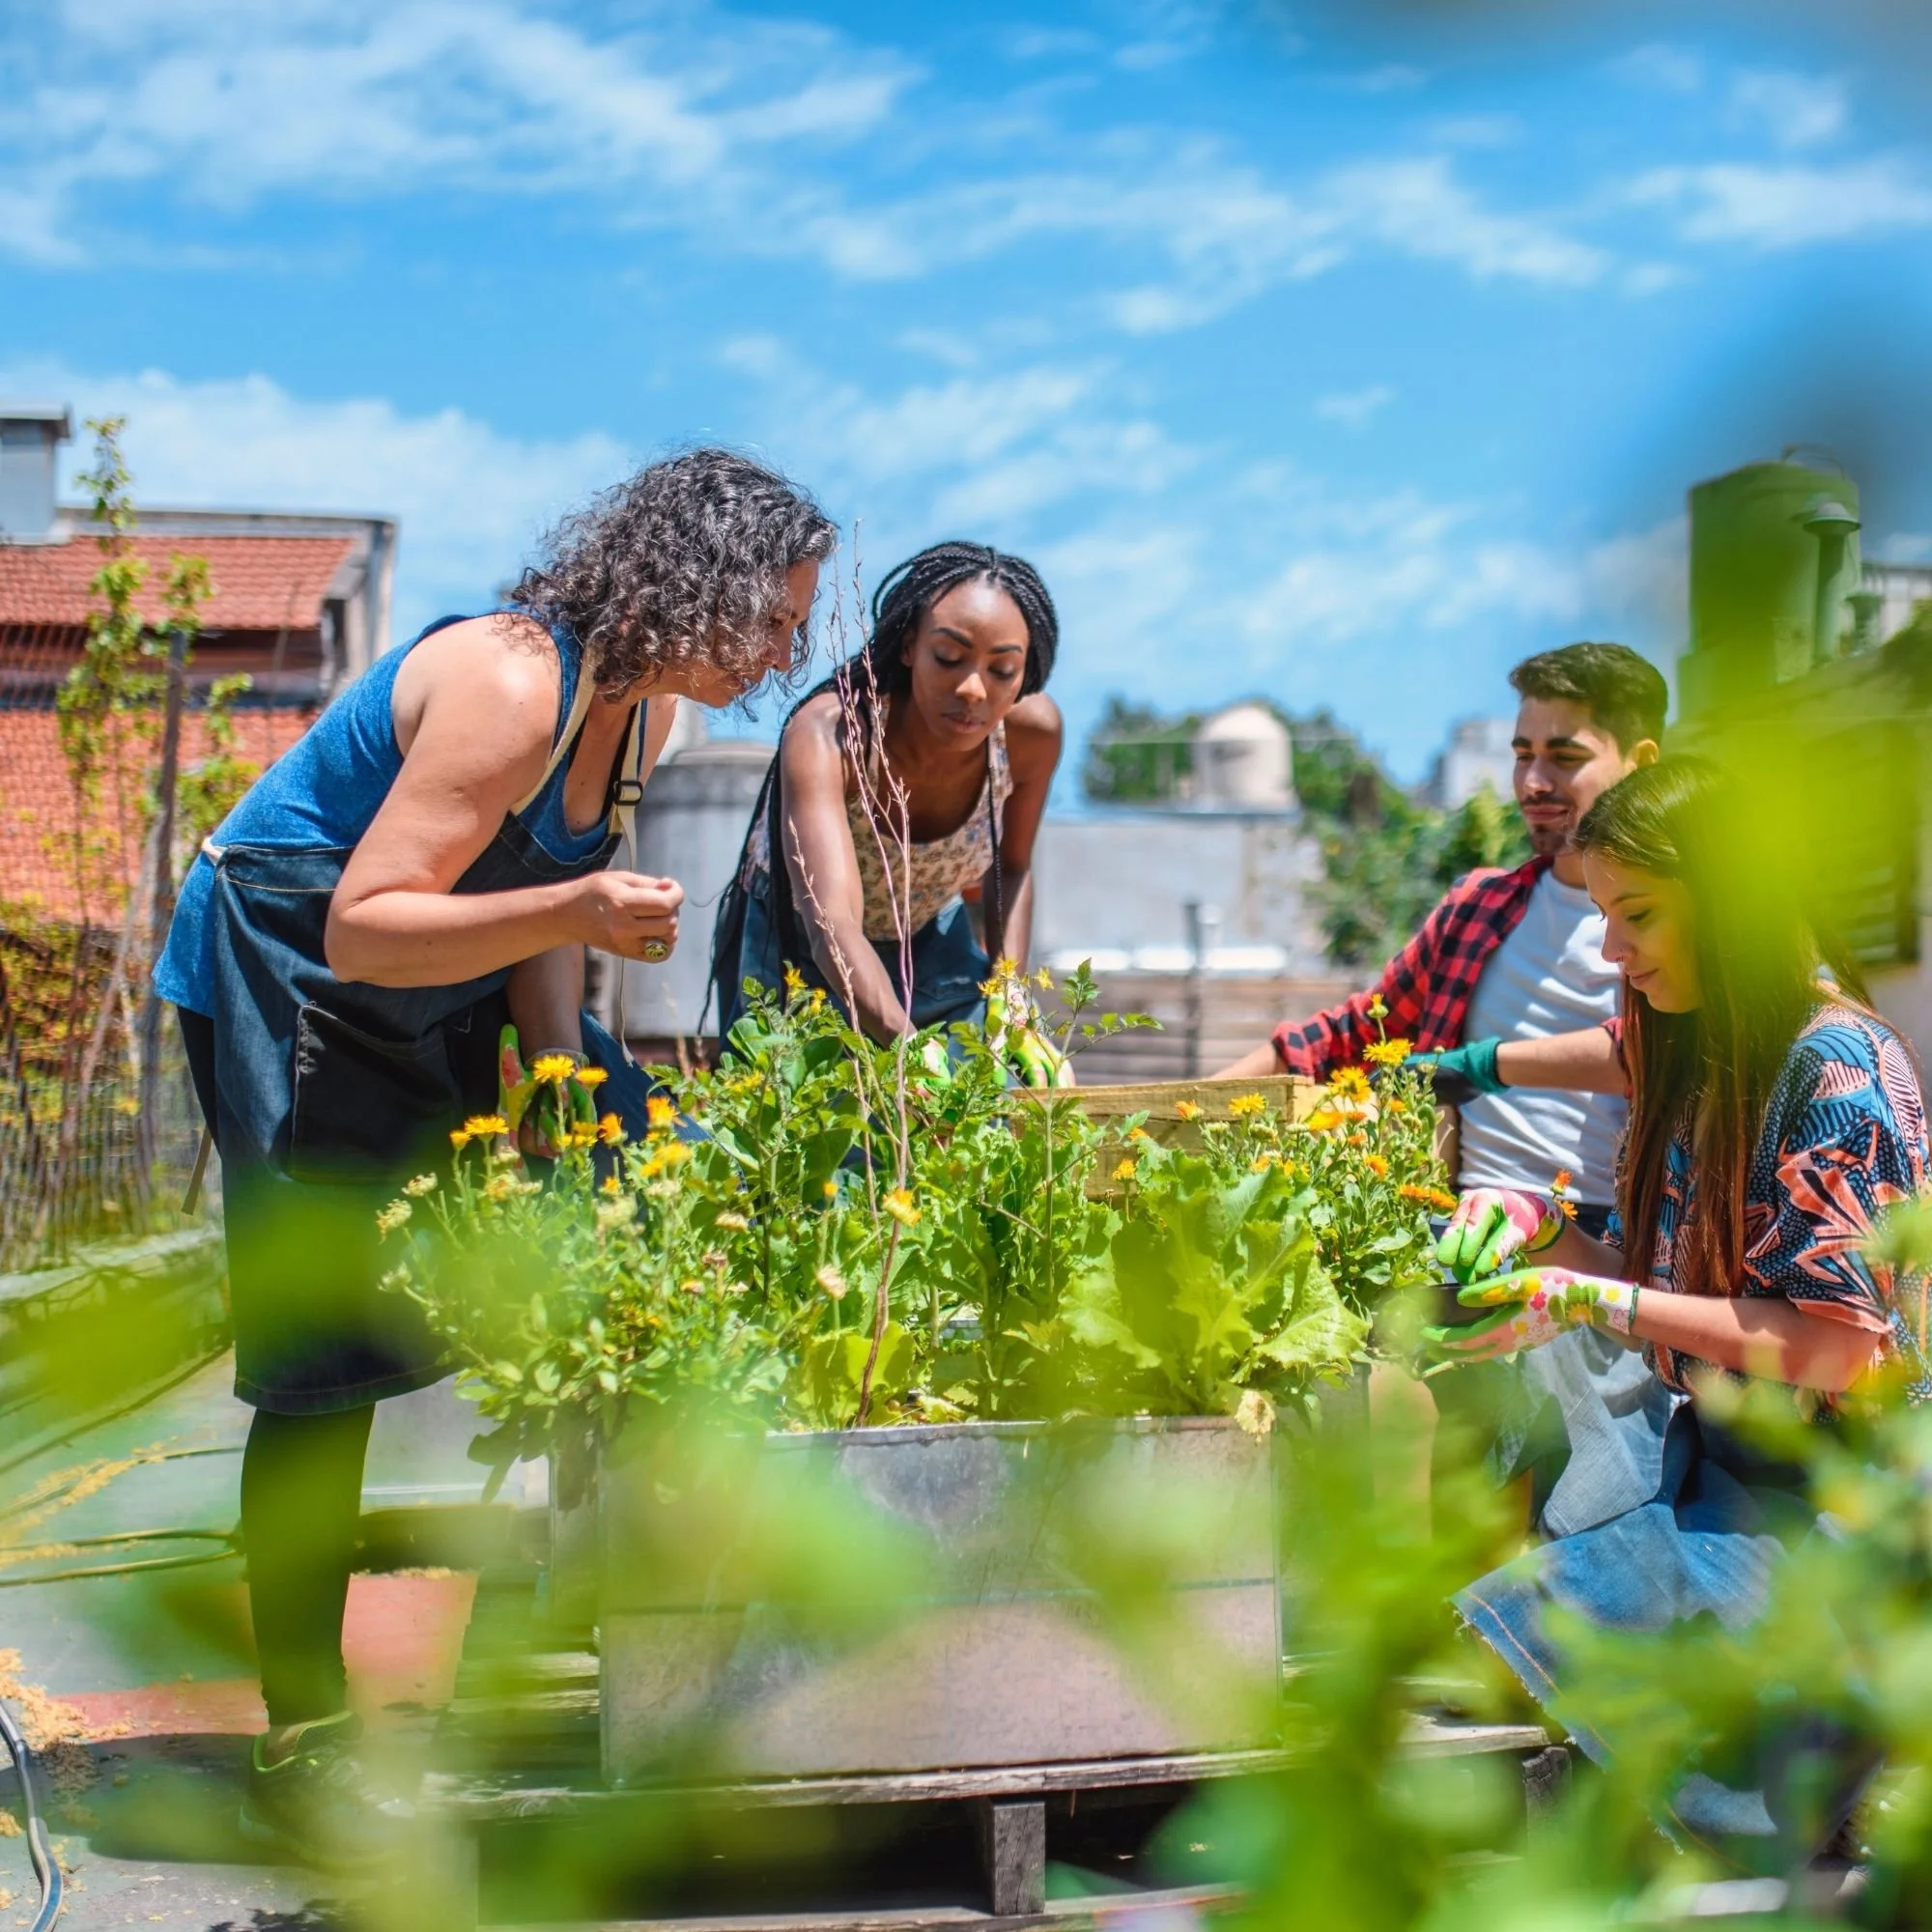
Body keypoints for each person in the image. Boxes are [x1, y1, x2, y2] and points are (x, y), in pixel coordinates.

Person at [153, 449, 836, 1866]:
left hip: (426, 988)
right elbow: (363, 924)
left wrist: (570, 1078)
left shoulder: (638, 718)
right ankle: (305, 1736)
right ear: (698, 583)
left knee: (610, 1204)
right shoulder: (515, 683)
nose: (786, 652)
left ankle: (585, 1634)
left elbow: (534, 919)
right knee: (327, 1359)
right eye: (773, 618)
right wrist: (581, 912)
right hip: (292, 975)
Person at [1433, 756, 1929, 1866]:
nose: (1611, 948)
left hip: (1859, 1502)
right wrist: (1534, 1227)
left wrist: (1587, 1291)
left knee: (1607, 1668)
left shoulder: (1833, 1067)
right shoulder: (1693, 1046)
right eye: (1604, 914)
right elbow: (1660, 1287)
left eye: (1639, 913)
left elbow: (1841, 1350)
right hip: (1734, 1464)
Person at [1218, 640, 1667, 1234]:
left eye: (1565, 757)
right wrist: (1178, 1104)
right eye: (1522, 756)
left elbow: (1658, 1048)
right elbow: (1351, 1035)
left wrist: (1475, 1066)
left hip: (1617, 1238)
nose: (1534, 782)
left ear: (1641, 761)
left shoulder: (1674, 916)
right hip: (1459, 1228)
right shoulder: (1478, 908)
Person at [715, 541, 1064, 1050]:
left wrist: (1011, 994)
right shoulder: (833, 734)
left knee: (992, 1084)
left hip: (925, 933)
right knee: (798, 1097)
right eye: (948, 657)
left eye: (1002, 670)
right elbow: (833, 923)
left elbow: (1011, 868)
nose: (973, 688)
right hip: (798, 941)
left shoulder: (1031, 735)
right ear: (908, 647)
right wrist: (911, 1052)